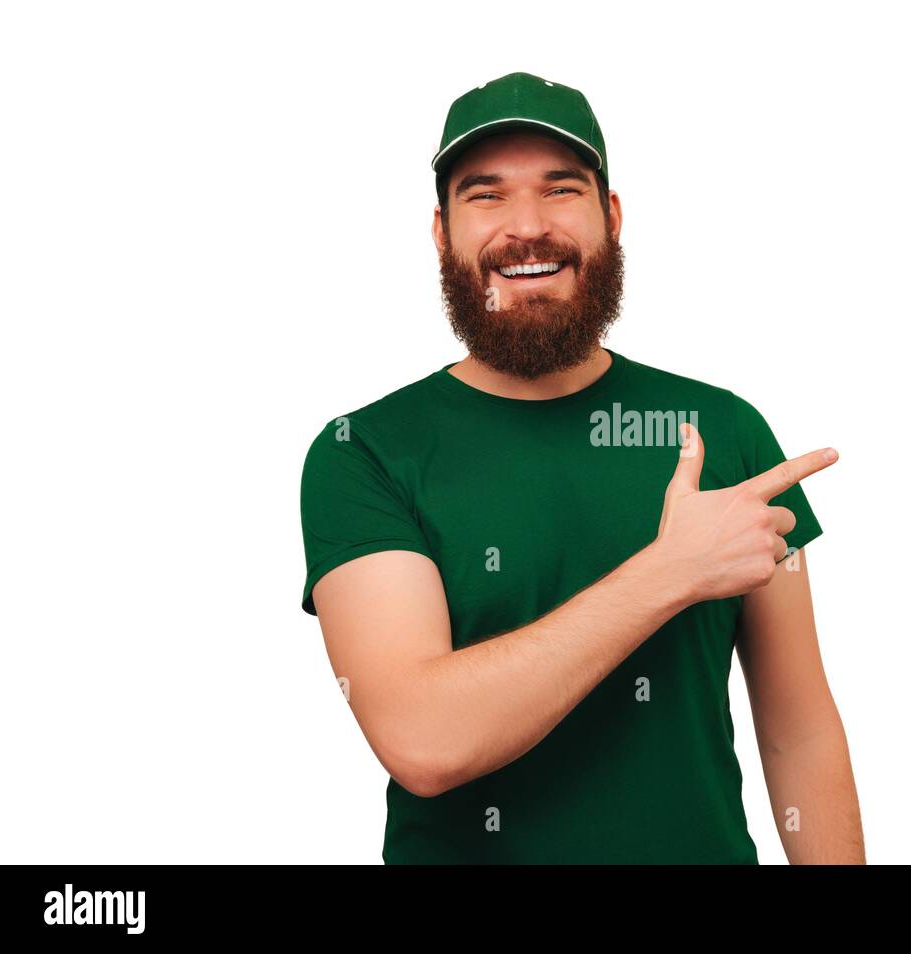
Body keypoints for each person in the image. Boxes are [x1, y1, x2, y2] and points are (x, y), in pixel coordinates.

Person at [299, 71, 865, 864]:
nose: (526, 227)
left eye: (561, 189)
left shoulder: (724, 432)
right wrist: (670, 572)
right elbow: (424, 740)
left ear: (611, 217)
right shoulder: (363, 452)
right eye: (485, 196)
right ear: (441, 232)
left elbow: (799, 731)